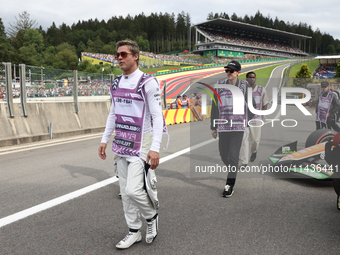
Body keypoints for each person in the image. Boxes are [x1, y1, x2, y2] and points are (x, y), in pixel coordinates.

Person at [98, 40, 167, 249]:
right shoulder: (116, 83)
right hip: (121, 143)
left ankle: (151, 216)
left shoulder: (148, 82)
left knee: (133, 191)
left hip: (141, 144)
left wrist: (155, 147)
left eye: (124, 54)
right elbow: (113, 113)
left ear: (135, 56)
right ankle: (133, 231)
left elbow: (158, 116)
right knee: (124, 192)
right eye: (117, 54)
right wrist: (104, 139)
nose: (119, 58)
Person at [210, 60, 255, 198]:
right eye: (227, 71)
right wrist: (213, 126)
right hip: (223, 127)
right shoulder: (219, 86)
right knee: (224, 155)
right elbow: (215, 106)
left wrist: (247, 121)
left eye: (231, 71)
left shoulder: (245, 86)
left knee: (234, 155)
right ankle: (232, 168)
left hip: (238, 127)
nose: (228, 73)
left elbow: (251, 106)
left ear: (238, 73)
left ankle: (229, 185)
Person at [239, 72, 269, 165]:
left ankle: (254, 151)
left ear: (255, 78)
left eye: (253, 77)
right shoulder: (242, 90)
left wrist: (262, 115)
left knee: (255, 141)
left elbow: (265, 103)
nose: (252, 79)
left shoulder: (261, 90)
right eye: (250, 77)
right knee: (244, 140)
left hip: (256, 119)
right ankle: (244, 161)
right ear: (246, 79)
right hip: (244, 119)